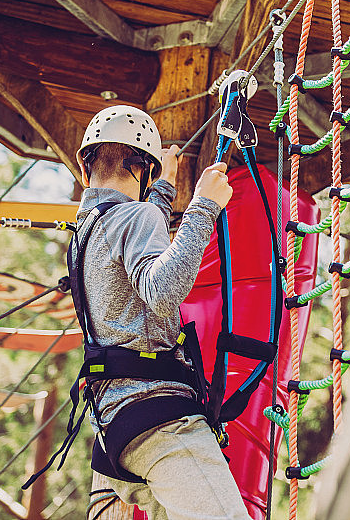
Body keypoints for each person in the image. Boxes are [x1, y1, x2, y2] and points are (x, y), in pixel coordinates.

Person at [71, 105, 250, 520]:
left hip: (113, 429)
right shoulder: (135, 217)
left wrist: (163, 186)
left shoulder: (85, 231)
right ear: (142, 169)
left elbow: (133, 221)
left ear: (84, 168)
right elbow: (162, 291)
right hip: (160, 422)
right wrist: (204, 206)